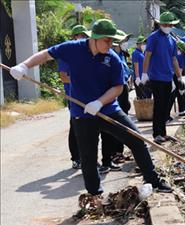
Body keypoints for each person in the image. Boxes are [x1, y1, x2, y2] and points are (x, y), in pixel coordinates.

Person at [9, 19, 172, 195]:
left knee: (137, 140)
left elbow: (118, 87)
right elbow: (47, 54)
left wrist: (100, 102)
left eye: (112, 40)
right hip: (82, 113)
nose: (110, 44)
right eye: (107, 40)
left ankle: (153, 181)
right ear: (94, 38)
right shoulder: (73, 49)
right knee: (88, 156)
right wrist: (24, 65)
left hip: (109, 110)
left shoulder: (113, 58)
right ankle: (95, 194)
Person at [142, 12, 185, 144]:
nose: (167, 26)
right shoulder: (154, 37)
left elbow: (174, 60)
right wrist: (144, 73)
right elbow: (148, 55)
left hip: (168, 77)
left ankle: (163, 133)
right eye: (164, 24)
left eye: (169, 24)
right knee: (159, 105)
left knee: (166, 107)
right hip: (156, 77)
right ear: (160, 24)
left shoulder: (171, 40)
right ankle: (157, 134)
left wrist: (179, 77)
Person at [98, 29, 134, 173]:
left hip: (122, 88)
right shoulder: (108, 57)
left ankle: (117, 153)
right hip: (111, 93)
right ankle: (107, 160)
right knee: (109, 127)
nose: (125, 43)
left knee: (120, 125)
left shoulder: (121, 55)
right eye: (123, 41)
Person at [58, 24, 90, 169]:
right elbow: (64, 77)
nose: (82, 38)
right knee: (75, 125)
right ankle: (76, 157)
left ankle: (88, 158)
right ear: (74, 37)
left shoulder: (87, 53)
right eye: (80, 35)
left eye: (85, 36)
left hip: (87, 95)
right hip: (73, 96)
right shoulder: (66, 55)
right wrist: (79, 80)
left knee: (89, 127)